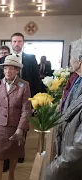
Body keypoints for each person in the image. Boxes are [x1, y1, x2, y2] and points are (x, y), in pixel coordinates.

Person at [0, 55, 31, 180]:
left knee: (14, 155)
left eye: (12, 68)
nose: (8, 71)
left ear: (17, 70)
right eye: (6, 68)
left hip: (15, 126)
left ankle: (11, 177)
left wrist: (21, 129)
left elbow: (26, 110)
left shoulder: (24, 85)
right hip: (0, 126)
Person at [46, 39, 82, 180]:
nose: (70, 59)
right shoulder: (77, 79)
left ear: (79, 60)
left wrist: (53, 170)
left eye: (71, 56)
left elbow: (79, 147)